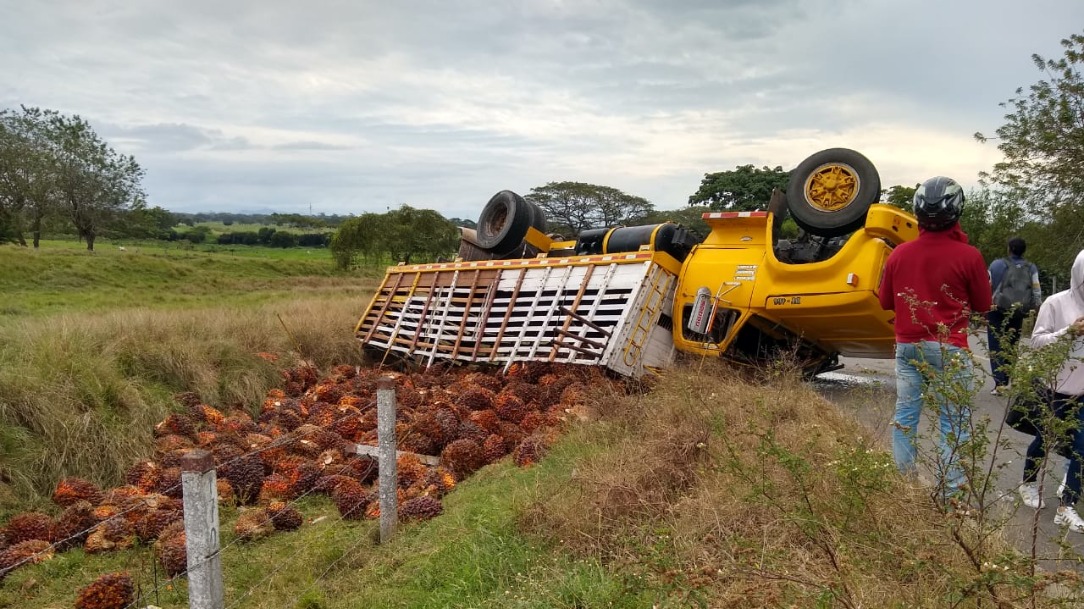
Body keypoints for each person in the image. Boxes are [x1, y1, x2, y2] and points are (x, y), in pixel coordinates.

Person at [878, 176, 992, 499]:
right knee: (952, 422)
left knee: (905, 418)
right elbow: (984, 305)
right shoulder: (969, 256)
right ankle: (951, 498)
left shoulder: (898, 254)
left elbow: (885, 301)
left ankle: (905, 488)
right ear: (956, 211)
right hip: (949, 348)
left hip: (907, 347)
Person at [1016, 250, 1084, 530]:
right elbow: (1036, 342)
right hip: (1055, 388)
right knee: (1044, 439)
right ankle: (1028, 483)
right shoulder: (1056, 304)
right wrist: (1068, 332)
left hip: (1083, 392)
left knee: (1081, 446)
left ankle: (1067, 505)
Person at [987, 237, 1042, 394]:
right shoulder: (1031, 268)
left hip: (996, 310)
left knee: (996, 344)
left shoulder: (996, 264)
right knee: (1012, 344)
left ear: (1009, 248)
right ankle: (1007, 379)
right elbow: (1037, 291)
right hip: (1018, 311)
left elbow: (987, 285)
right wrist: (1036, 308)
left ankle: (999, 383)